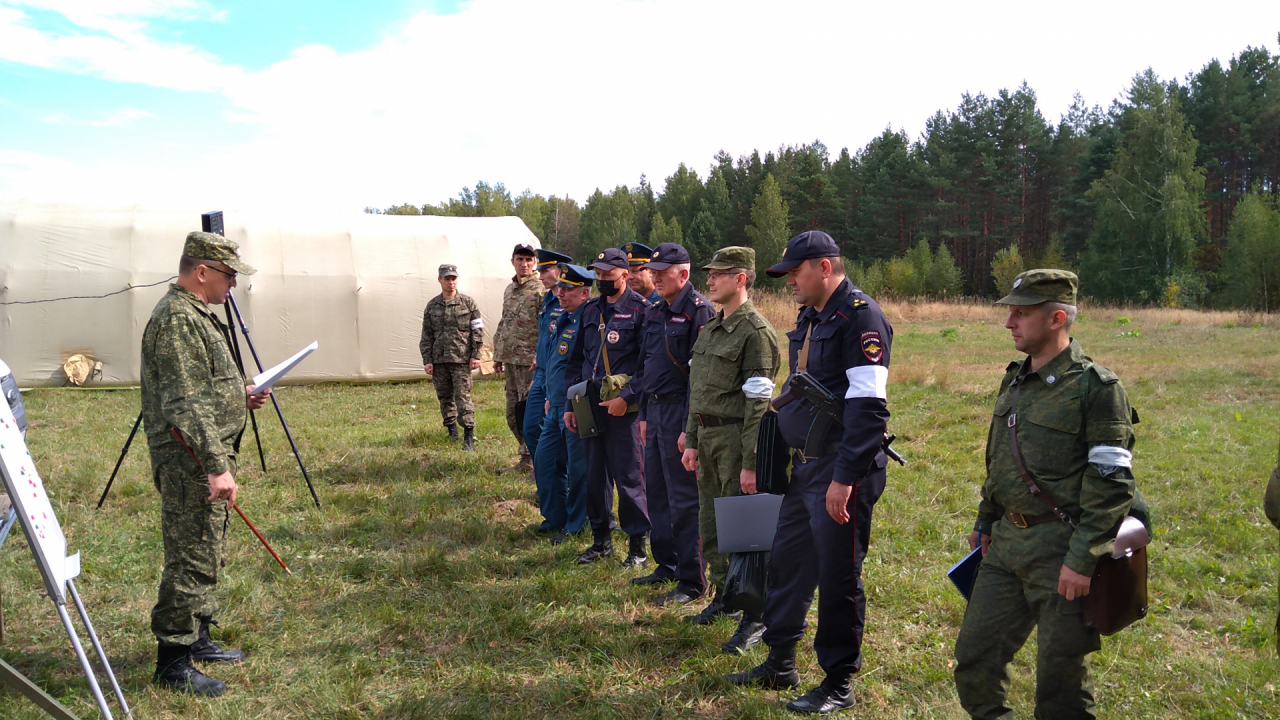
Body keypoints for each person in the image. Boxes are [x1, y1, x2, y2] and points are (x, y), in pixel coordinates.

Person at [954, 269, 1149, 720]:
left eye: (1021, 314)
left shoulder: (1096, 389)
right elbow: (999, 457)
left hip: (1063, 550)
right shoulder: (1016, 379)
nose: (1009, 323)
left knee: (1060, 685)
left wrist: (1083, 559)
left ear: (1057, 318)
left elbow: (1111, 482)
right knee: (974, 660)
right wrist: (986, 522)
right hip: (1006, 545)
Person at [727, 231, 892, 715]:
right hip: (805, 466)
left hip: (842, 470)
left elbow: (869, 408)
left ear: (824, 267)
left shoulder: (860, 318)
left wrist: (844, 478)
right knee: (787, 563)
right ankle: (780, 660)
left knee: (838, 576)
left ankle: (839, 682)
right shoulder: (813, 316)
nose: (789, 284)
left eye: (795, 273)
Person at [141, 231, 271, 696]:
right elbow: (184, 401)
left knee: (207, 548)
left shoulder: (195, 315)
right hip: (190, 461)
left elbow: (204, 387)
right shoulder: (177, 319)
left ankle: (197, 637)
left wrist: (240, 396)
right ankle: (172, 661)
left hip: (202, 453)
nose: (233, 283)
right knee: (191, 556)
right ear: (202, 272)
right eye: (229, 274)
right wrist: (216, 466)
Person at [680, 246, 780, 652]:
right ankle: (724, 597)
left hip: (737, 441)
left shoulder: (756, 333)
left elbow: (759, 404)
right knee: (712, 525)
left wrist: (752, 463)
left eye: (719, 274)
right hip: (706, 439)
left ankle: (756, 618)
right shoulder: (710, 329)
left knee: (745, 532)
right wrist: (689, 436)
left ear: (741, 279)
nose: (710, 280)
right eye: (710, 274)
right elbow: (697, 390)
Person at [630, 243, 716, 606]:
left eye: (663, 272)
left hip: (682, 412)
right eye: (654, 271)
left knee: (684, 500)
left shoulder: (700, 312)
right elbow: (648, 366)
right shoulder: (656, 311)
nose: (655, 277)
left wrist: (688, 427)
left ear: (684, 274)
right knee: (657, 493)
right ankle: (666, 564)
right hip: (655, 412)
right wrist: (645, 415)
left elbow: (700, 378)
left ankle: (692, 579)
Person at [565, 247, 652, 566]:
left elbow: (649, 366)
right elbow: (576, 361)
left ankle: (638, 547)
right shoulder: (589, 311)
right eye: (598, 275)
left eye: (607, 275)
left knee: (629, 477)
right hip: (589, 403)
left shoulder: (642, 310)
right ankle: (601, 541)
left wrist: (627, 398)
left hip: (623, 408)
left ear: (625, 275)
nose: (601, 279)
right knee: (594, 475)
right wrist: (569, 405)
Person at [538, 263, 595, 544]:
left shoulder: (590, 320)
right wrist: (550, 396)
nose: (559, 293)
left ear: (584, 294)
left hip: (577, 406)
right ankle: (554, 517)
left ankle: (576, 525)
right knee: (546, 461)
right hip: (555, 404)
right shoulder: (564, 318)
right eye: (559, 287)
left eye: (567, 289)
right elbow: (556, 362)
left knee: (578, 468)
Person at [420, 264, 483, 450]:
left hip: (461, 359)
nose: (451, 282)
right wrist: (427, 359)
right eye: (447, 278)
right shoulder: (432, 306)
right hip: (439, 360)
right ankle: (451, 430)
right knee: (444, 396)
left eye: (453, 278)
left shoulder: (468, 304)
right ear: (440, 280)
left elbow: (477, 331)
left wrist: (476, 355)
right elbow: (426, 335)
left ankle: (468, 435)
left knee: (462, 396)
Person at [523, 249, 570, 490]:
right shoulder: (548, 299)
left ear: (560, 271)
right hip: (541, 373)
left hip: (557, 376)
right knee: (531, 428)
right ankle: (547, 478)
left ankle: (559, 483)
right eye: (539, 270)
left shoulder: (567, 302)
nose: (540, 275)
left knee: (560, 436)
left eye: (545, 270)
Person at [493, 243, 542, 474]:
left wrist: (540, 357)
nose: (524, 264)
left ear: (535, 263)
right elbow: (504, 322)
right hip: (512, 361)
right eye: (520, 259)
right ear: (512, 261)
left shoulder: (541, 290)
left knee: (531, 413)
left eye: (528, 260)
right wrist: (497, 355)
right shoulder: (509, 289)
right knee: (513, 413)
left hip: (530, 362)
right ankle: (525, 458)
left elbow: (549, 328)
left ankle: (536, 463)